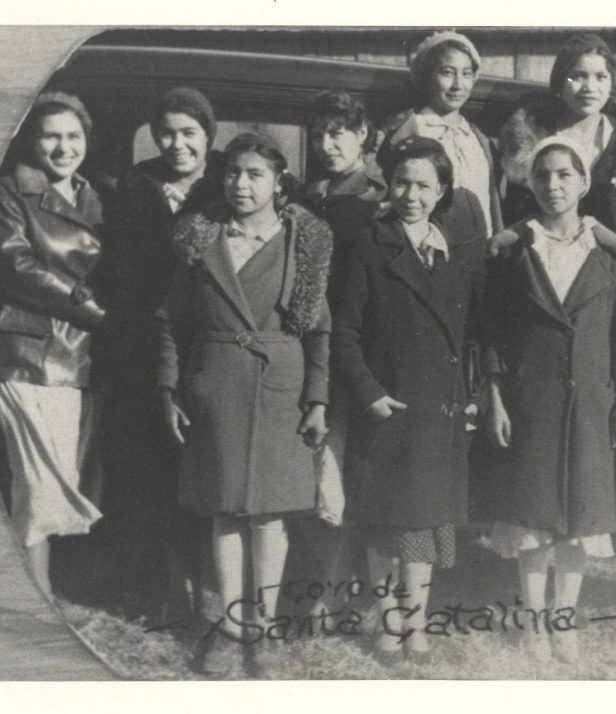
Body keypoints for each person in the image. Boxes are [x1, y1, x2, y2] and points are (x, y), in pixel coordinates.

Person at [156, 132, 332, 675]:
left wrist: (318, 399)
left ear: (279, 182)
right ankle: (232, 628)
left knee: (270, 516)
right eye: (233, 172)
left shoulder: (303, 240)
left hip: (279, 389)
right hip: (215, 388)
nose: (241, 184)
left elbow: (319, 330)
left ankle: (266, 626)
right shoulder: (199, 240)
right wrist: (170, 388)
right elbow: (169, 322)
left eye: (256, 174)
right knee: (227, 509)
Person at [483, 137, 616, 664]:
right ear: (531, 184)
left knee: (581, 521)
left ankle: (564, 621)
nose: (554, 185)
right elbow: (494, 334)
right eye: (544, 175)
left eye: (565, 175)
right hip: (533, 401)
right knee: (533, 520)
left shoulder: (607, 255)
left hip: (592, 406)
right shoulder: (515, 252)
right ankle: (532, 622)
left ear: (583, 183)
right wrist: (497, 395)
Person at [330, 136, 484, 666]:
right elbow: (343, 331)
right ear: (387, 185)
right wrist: (368, 393)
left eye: (423, 185)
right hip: (389, 409)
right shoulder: (369, 245)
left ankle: (415, 623)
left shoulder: (456, 253)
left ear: (442, 191)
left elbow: (468, 336)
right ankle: (388, 623)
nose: (411, 194)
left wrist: (467, 397)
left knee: (424, 526)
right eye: (401, 182)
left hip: (437, 413)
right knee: (386, 526)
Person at [0, 91, 110, 600]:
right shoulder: (10, 192)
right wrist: (91, 306)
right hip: (25, 356)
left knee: (53, 486)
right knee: (36, 487)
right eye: (51, 135)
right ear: (32, 139)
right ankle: (39, 600)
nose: (63, 147)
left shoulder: (99, 197)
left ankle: (40, 593)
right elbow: (15, 267)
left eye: (73, 136)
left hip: (76, 359)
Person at [102, 86, 224, 620]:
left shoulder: (228, 183)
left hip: (209, 347)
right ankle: (165, 587)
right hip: (144, 348)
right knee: (151, 469)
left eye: (189, 133)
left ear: (207, 136)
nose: (178, 145)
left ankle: (212, 587)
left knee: (206, 467)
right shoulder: (134, 188)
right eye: (167, 133)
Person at [290, 90, 386, 617]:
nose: (328, 145)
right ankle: (321, 592)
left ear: (363, 135)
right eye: (320, 135)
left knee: (358, 472)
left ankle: (357, 591)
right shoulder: (309, 197)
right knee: (321, 468)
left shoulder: (381, 198)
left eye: (340, 133)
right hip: (313, 350)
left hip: (363, 351)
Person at [499, 33, 616, 231]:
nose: (590, 88)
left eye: (601, 77)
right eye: (577, 76)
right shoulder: (534, 138)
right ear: (560, 80)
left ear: (611, 83)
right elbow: (515, 215)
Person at [379, 30, 502, 242]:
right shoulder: (408, 130)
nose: (458, 85)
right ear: (428, 77)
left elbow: (492, 200)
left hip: (481, 254)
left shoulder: (477, 138)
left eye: (466, 74)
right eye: (447, 72)